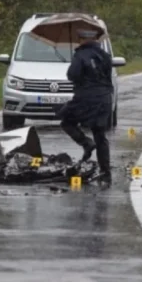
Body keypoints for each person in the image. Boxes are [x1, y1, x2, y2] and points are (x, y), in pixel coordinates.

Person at [58, 28, 114, 187]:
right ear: (96, 40)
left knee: (66, 121)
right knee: (100, 134)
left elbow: (72, 75)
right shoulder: (105, 56)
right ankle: (106, 173)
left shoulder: (80, 55)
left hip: (85, 99)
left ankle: (86, 143)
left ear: (82, 40)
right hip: (104, 99)